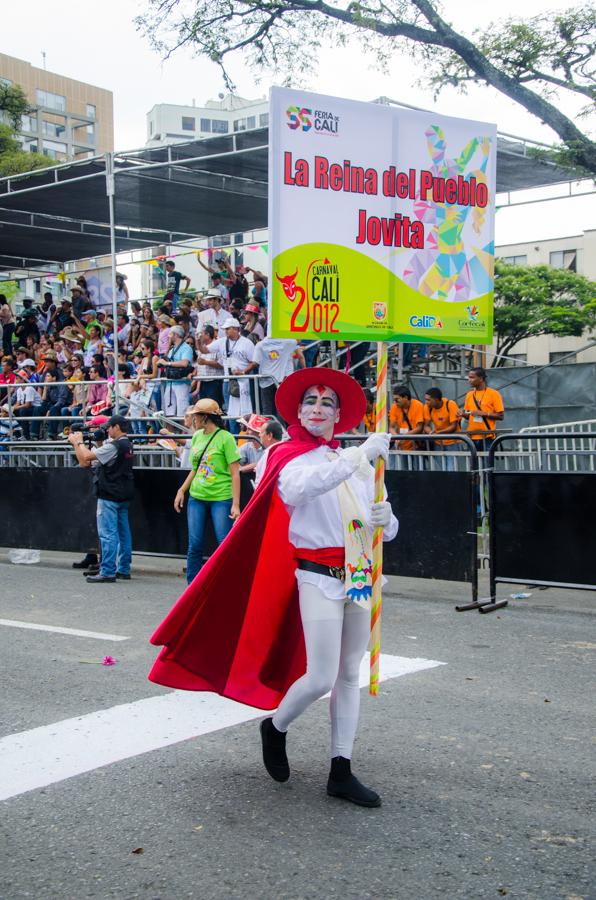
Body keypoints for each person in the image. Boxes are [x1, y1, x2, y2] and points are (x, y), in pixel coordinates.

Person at [149, 367, 398, 808]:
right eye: (311, 402)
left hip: (360, 572)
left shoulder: (354, 461)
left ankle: (341, 768)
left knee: (348, 673)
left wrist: (387, 518)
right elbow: (299, 491)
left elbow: (380, 521)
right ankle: (276, 726)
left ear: (339, 415)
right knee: (320, 675)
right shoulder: (283, 455)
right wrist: (358, 457)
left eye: (327, 404)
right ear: (298, 410)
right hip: (316, 575)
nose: (318, 409)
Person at [173, 399, 241, 584]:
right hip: (197, 497)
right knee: (194, 545)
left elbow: (235, 473)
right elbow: (195, 468)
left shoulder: (226, 438)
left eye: (195, 416)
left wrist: (235, 504)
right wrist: (182, 490)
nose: (192, 419)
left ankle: (228, 584)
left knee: (223, 544)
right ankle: (192, 587)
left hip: (221, 497)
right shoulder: (196, 436)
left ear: (205, 417)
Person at [68, 415, 134, 583]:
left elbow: (87, 458)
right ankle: (123, 569)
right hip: (123, 493)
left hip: (109, 494)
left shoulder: (115, 445)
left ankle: (108, 571)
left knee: (108, 534)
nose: (107, 430)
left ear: (117, 427)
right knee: (123, 534)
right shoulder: (127, 444)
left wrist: (78, 442)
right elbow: (101, 459)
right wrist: (98, 442)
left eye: (109, 427)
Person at [246, 337, 304, 415]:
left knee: (267, 409)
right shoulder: (287, 343)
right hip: (281, 379)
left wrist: (243, 372)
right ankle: (281, 426)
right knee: (280, 408)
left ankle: (268, 426)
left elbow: (255, 363)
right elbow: (299, 346)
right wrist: (304, 370)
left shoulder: (260, 344)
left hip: (266, 380)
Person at [457, 367, 505, 453]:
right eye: (469, 377)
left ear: (481, 379)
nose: (469, 380)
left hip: (487, 437)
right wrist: (463, 414)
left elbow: (500, 416)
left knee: (487, 465)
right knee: (474, 465)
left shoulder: (493, 394)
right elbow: (469, 415)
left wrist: (483, 413)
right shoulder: (469, 394)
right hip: (471, 437)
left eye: (472, 377)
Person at [158, 325, 194, 417]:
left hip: (181, 383)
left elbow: (185, 363)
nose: (168, 336)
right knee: (169, 414)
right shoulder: (172, 349)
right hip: (170, 383)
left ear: (176, 335)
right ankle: (170, 432)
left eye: (170, 334)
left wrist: (167, 364)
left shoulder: (186, 348)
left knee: (182, 413)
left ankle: (184, 431)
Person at [423, 387, 461, 469]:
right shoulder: (427, 407)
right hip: (438, 443)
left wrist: (438, 433)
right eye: (425, 400)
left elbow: (453, 426)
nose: (426, 402)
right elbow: (426, 426)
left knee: (451, 469)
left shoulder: (450, 404)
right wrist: (430, 433)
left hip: (453, 442)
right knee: (441, 469)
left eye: (428, 400)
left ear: (437, 400)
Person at [389, 385, 424, 453]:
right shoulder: (394, 407)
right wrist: (397, 437)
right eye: (394, 400)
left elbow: (419, 427)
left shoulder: (418, 405)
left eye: (397, 400)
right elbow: (391, 427)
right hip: (402, 445)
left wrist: (404, 436)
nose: (395, 402)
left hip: (416, 445)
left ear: (405, 397)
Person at [254, 419, 284, 486]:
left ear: (269, 436)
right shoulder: (287, 450)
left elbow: (262, 484)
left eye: (261, 432)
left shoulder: (269, 455)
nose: (259, 435)